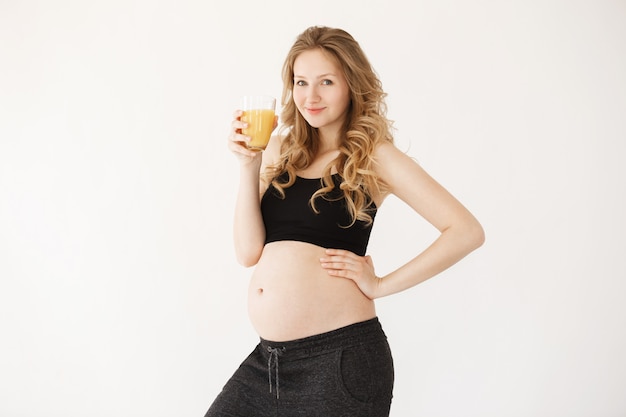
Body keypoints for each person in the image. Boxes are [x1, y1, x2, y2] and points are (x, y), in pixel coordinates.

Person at [205, 25, 484, 417]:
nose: (310, 96)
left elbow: (466, 231)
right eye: (301, 82)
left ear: (351, 84)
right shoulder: (280, 149)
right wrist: (248, 166)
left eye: (326, 82)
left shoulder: (375, 157)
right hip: (268, 365)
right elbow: (248, 251)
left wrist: (381, 284)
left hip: (338, 361)